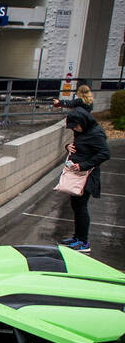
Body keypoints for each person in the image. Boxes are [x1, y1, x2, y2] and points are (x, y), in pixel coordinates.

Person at [60, 106, 111, 253]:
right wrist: (68, 147)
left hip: (87, 176)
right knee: (76, 207)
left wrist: (83, 165)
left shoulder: (96, 134)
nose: (75, 129)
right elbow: (78, 147)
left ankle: (84, 241)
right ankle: (77, 237)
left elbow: (105, 153)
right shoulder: (82, 131)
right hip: (77, 175)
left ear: (83, 122)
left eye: (76, 126)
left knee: (81, 208)